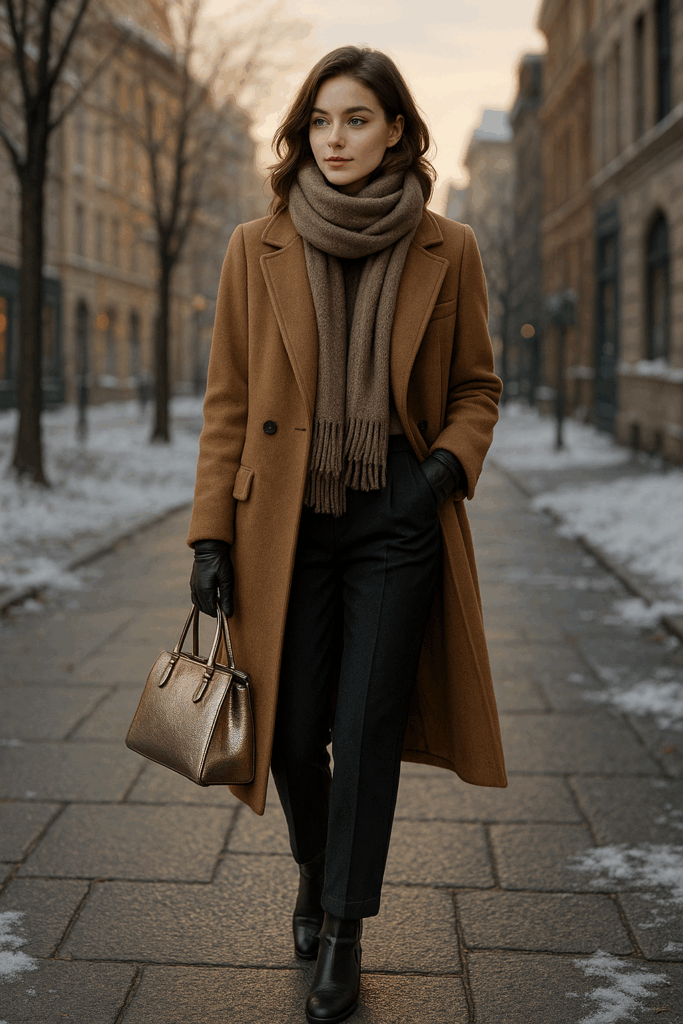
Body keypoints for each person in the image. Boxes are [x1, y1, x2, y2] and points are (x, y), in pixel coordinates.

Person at [188, 45, 507, 1024]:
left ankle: (342, 928)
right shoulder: (257, 244)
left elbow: (474, 388)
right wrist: (209, 536)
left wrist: (439, 474)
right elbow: (229, 402)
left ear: (398, 130)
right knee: (286, 733)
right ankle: (315, 863)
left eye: (357, 119)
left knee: (363, 731)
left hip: (394, 522)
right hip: (280, 524)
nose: (335, 138)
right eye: (321, 119)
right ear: (302, 130)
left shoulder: (446, 248)